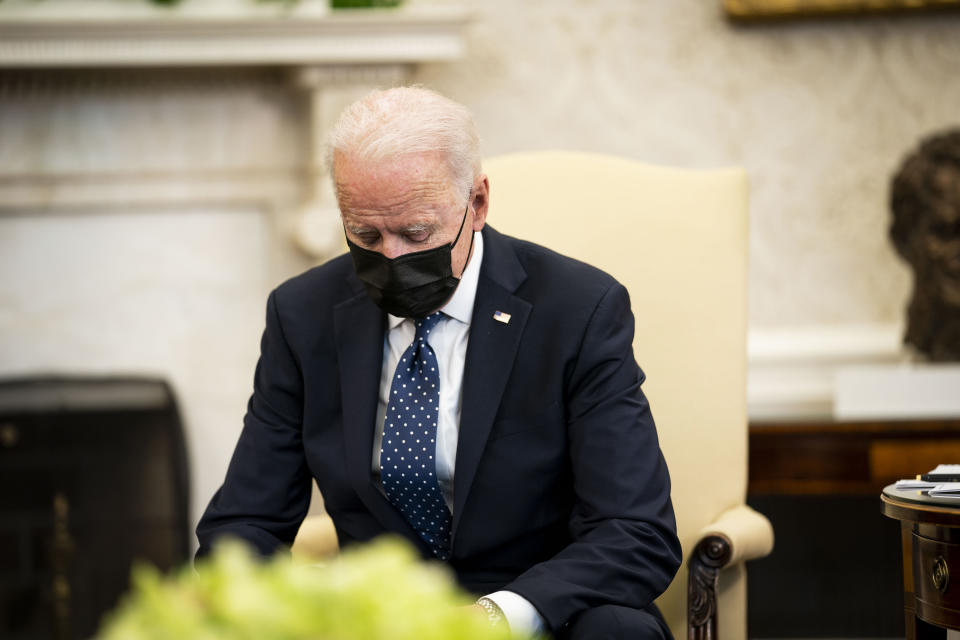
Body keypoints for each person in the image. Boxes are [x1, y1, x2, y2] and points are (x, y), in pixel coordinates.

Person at [196, 86, 681, 639]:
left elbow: (635, 529)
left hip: (545, 607)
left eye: (416, 234)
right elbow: (245, 522)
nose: (391, 258)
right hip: (381, 621)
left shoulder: (577, 308)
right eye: (365, 234)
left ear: (477, 203)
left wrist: (494, 617)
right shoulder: (303, 314)